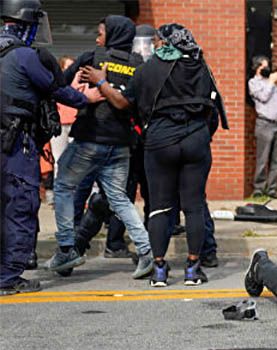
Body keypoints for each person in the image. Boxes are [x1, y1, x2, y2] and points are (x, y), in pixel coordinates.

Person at [81, 23, 228, 287]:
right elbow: (212, 109)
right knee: (193, 206)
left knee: (160, 206)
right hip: (196, 140)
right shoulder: (200, 67)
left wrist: (102, 82)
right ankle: (193, 269)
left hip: (160, 143)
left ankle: (159, 269)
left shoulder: (147, 69)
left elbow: (125, 104)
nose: (155, 45)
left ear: (163, 43)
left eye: (157, 41)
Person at [48, 15, 153, 279]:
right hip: (121, 144)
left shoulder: (93, 56)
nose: (98, 37)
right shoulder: (138, 64)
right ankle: (147, 250)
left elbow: (59, 84)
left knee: (63, 186)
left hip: (90, 139)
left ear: (112, 34)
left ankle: (66, 249)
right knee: (119, 198)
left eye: (101, 32)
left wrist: (85, 96)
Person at [0, 0, 88, 295]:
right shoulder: (24, 56)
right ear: (26, 23)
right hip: (15, 145)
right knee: (20, 206)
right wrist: (86, 99)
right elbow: (57, 89)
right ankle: (9, 276)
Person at [249, 55, 277, 200]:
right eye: (264, 66)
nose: (268, 68)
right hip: (265, 124)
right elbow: (263, 97)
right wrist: (270, 82)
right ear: (258, 68)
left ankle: (271, 188)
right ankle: (259, 188)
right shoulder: (254, 83)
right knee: (263, 158)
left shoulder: (273, 83)